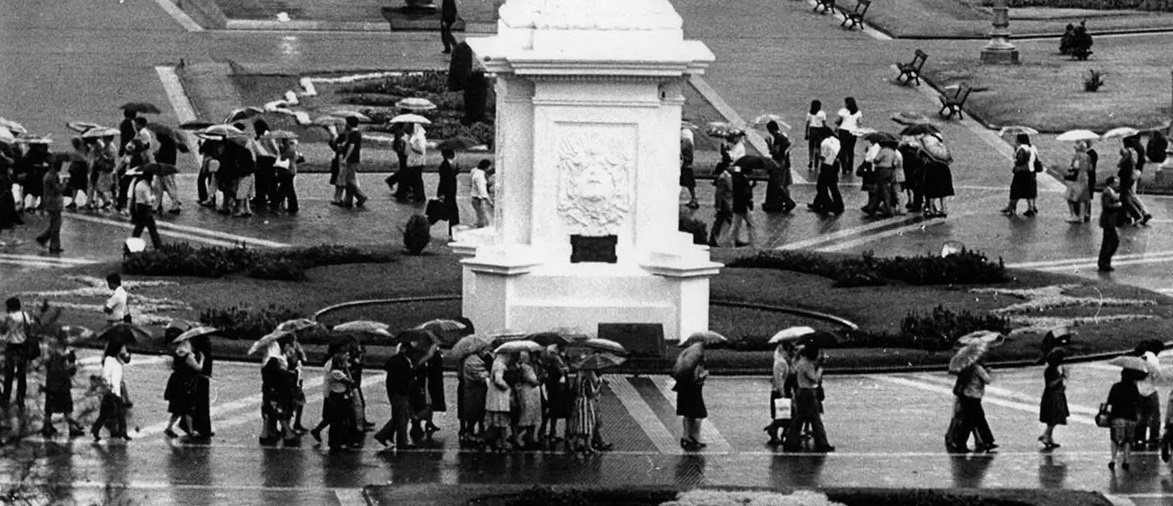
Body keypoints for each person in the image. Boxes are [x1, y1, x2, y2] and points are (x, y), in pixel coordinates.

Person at [783, 344, 834, 452]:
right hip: (808, 392)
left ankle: (791, 442)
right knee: (815, 419)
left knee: (799, 418)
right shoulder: (806, 364)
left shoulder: (804, 362)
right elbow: (814, 378)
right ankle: (822, 443)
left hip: (802, 392)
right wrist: (820, 367)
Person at [41, 329, 84, 438]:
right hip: (64, 382)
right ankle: (72, 427)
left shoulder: (49, 351)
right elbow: (72, 369)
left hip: (51, 381)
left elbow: (46, 363)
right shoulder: (69, 352)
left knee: (49, 406)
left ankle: (46, 426)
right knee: (67, 406)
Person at [374, 342, 416, 449]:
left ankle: (384, 434)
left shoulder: (396, 360)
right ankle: (401, 441)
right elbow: (405, 377)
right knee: (402, 416)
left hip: (395, 391)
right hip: (399, 391)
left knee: (399, 415)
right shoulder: (402, 362)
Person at [91, 339, 131, 442]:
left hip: (116, 390)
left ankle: (124, 433)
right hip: (110, 391)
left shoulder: (117, 359)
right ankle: (95, 429)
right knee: (105, 414)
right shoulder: (109, 360)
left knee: (120, 413)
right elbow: (106, 376)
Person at [955, 357, 997, 453]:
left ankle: (988, 440)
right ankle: (961, 444)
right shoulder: (978, 368)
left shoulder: (967, 367)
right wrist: (987, 372)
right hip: (974, 397)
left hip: (967, 396)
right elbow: (987, 380)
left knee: (979, 419)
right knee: (970, 421)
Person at [1, 297, 34, 411]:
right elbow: (29, 328)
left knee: (9, 374)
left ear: (10, 307)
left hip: (12, 347)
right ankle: (20, 400)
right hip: (23, 347)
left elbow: (5, 330)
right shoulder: (25, 315)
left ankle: (6, 398)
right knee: (22, 375)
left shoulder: (9, 317)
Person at [163, 339, 202, 438]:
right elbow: (198, 368)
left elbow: (172, 366)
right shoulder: (188, 357)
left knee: (177, 409)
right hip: (185, 384)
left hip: (175, 383)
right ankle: (190, 431)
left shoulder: (177, 355)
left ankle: (169, 428)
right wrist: (202, 359)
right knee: (188, 408)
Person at [1106, 368, 1143, 471]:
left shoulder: (1116, 387)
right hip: (1130, 417)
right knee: (1128, 440)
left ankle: (1113, 459)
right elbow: (1139, 403)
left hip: (1116, 416)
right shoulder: (1134, 388)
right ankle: (1126, 460)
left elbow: (1109, 401)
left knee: (1114, 439)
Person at [674, 343, 709, 451]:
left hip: (683, 390)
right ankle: (696, 437)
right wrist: (705, 374)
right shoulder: (697, 363)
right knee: (699, 414)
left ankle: (685, 436)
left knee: (687, 414)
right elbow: (696, 378)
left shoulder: (684, 363)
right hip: (694, 391)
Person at [764, 341, 796, 445]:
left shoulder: (783, 361)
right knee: (782, 414)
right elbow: (779, 379)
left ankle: (776, 431)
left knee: (783, 414)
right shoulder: (780, 363)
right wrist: (783, 393)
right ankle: (774, 431)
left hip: (781, 390)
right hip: (779, 391)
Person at [334, 117, 369, 208]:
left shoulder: (354, 134)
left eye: (346, 123)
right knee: (349, 179)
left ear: (349, 124)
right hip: (353, 159)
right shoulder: (353, 133)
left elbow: (351, 147)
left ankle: (361, 196)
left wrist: (345, 158)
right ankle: (348, 200)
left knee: (349, 181)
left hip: (351, 159)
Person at [1002, 134, 1039, 217]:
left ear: (1019, 141)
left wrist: (1015, 152)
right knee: (1030, 191)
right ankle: (1031, 208)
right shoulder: (1033, 147)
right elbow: (1036, 159)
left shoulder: (1021, 149)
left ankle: (1011, 207)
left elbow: (1019, 160)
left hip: (1021, 173)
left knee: (1015, 191)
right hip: (1031, 172)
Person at [808, 128, 843, 214]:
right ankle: (838, 205)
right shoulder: (836, 140)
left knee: (821, 186)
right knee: (832, 186)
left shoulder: (824, 143)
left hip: (827, 165)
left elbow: (823, 158)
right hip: (835, 164)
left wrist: (818, 154)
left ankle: (828, 205)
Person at [1038, 348, 1068, 449]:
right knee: (1054, 417)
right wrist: (1061, 378)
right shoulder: (1051, 371)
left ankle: (1049, 438)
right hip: (1053, 397)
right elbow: (1051, 384)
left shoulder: (1052, 370)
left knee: (1052, 418)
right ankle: (1046, 435)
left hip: (1054, 395)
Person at [483, 352, 513, 452]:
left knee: (496, 423)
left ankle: (495, 442)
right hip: (499, 398)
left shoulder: (496, 364)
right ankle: (502, 443)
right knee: (501, 423)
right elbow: (498, 380)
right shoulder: (500, 365)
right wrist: (508, 387)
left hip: (494, 398)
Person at [1135, 342, 1163, 450]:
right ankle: (1153, 438)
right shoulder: (1153, 359)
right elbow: (1156, 375)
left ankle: (1138, 437)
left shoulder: (1138, 358)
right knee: (1154, 416)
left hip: (1139, 389)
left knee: (1140, 415)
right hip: (1150, 390)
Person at [459, 348, 490, 447]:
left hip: (472, 389)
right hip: (475, 390)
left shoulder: (469, 359)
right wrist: (489, 372)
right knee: (474, 411)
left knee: (474, 411)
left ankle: (471, 432)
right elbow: (481, 375)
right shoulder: (473, 360)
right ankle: (470, 433)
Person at [763, 121, 794, 213]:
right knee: (786, 183)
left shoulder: (778, 138)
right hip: (786, 162)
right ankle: (787, 201)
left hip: (780, 163)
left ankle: (788, 202)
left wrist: (769, 144)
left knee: (779, 184)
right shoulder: (783, 135)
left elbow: (775, 153)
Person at [568, 369, 603, 454]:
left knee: (581, 425)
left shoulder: (579, 380)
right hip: (586, 403)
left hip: (579, 402)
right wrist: (599, 386)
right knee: (587, 424)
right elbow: (592, 393)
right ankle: (576, 442)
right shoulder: (586, 381)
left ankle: (587, 445)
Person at [1119, 137, 1151, 226]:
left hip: (1133, 172)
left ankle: (1143, 212)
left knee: (1131, 195)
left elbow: (1130, 161)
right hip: (1137, 171)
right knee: (1130, 195)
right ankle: (1131, 214)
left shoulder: (1133, 149)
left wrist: (1125, 154)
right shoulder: (1139, 146)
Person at [34, 158, 64, 254]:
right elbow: (57, 190)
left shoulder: (50, 175)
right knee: (56, 224)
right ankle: (53, 245)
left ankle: (44, 239)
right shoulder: (51, 177)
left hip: (51, 202)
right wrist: (64, 183)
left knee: (55, 223)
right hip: (54, 202)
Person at [543, 345, 571, 446]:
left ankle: (553, 432)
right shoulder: (555, 359)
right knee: (555, 410)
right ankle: (554, 432)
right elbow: (562, 371)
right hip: (556, 388)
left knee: (558, 411)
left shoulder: (561, 358)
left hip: (559, 387)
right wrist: (565, 368)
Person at [514, 350, 542, 448]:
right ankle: (516, 436)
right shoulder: (524, 368)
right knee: (527, 415)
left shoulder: (531, 366)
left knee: (533, 416)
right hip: (528, 393)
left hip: (533, 394)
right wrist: (540, 379)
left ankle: (530, 437)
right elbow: (533, 381)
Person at [129, 168, 163, 249]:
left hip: (139, 207)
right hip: (145, 209)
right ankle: (158, 246)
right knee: (152, 229)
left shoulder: (139, 184)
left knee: (138, 228)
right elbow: (148, 199)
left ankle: (131, 245)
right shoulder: (145, 186)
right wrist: (154, 197)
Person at [432, 149, 460, 238]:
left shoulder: (447, 165)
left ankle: (453, 232)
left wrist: (455, 170)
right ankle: (454, 232)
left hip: (449, 193)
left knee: (449, 213)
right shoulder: (445, 166)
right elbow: (446, 181)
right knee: (451, 213)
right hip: (448, 193)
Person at [251, 120, 278, 212]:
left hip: (265, 159)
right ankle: (267, 199)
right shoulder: (265, 135)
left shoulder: (265, 136)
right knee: (266, 180)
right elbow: (275, 149)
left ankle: (262, 199)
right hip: (267, 159)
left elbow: (274, 148)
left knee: (263, 180)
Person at [152, 133, 182, 215]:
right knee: (158, 187)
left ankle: (175, 205)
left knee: (168, 188)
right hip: (164, 168)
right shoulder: (169, 144)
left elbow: (161, 157)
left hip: (165, 169)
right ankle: (156, 206)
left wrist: (156, 155)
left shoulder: (166, 146)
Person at [729, 164, 757, 248]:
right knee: (736, 225)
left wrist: (750, 186)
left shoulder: (739, 177)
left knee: (739, 225)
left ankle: (735, 241)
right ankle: (733, 242)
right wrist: (750, 187)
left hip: (741, 205)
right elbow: (744, 192)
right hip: (741, 206)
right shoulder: (741, 179)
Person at [1098, 176, 1123, 272]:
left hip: (1110, 221)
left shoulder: (1111, 192)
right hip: (1108, 221)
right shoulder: (1107, 193)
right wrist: (1118, 205)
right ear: (1111, 183)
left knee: (1107, 243)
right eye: (1116, 182)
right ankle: (1104, 262)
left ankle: (1104, 262)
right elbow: (1107, 206)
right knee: (1113, 242)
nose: (1117, 184)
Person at [1064, 141, 1092, 223]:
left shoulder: (1077, 155)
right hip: (1085, 177)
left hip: (1077, 178)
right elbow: (1090, 168)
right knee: (1082, 199)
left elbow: (1076, 166)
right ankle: (1082, 216)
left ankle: (1073, 215)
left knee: (1069, 197)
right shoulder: (1088, 156)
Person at [707, 162, 734, 247]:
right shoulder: (724, 178)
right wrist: (718, 205)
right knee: (731, 221)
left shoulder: (728, 176)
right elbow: (719, 193)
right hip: (724, 203)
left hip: (725, 203)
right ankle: (735, 239)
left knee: (719, 222)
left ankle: (713, 239)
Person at [836, 97, 862, 176]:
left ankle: (844, 167)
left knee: (843, 149)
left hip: (843, 131)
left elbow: (837, 120)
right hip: (853, 132)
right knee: (851, 150)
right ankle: (850, 167)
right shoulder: (858, 112)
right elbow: (860, 122)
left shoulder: (843, 111)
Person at [274, 136, 299, 215]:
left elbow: (283, 158)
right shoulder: (293, 148)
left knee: (286, 189)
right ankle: (292, 207)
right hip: (291, 170)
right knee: (288, 189)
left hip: (288, 170)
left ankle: (278, 204)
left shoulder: (290, 149)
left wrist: (281, 150)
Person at [65, 137, 89, 210]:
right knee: (83, 187)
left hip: (76, 173)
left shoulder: (76, 153)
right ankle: (90, 200)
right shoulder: (83, 150)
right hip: (82, 172)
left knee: (75, 187)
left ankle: (74, 202)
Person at [470, 159, 493, 228]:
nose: (490, 168)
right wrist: (490, 202)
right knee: (483, 220)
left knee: (480, 218)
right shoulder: (480, 176)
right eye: (489, 167)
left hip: (475, 199)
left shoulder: (475, 171)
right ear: (486, 167)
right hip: (477, 200)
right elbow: (483, 191)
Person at [804, 100, 827, 171]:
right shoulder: (822, 113)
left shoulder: (809, 113)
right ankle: (817, 162)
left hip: (812, 130)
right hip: (819, 130)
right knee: (818, 147)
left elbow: (807, 124)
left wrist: (806, 133)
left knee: (811, 147)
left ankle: (811, 160)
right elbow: (824, 123)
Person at [680, 128, 699, 209]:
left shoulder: (686, 143)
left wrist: (682, 157)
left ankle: (694, 199)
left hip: (686, 167)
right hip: (687, 166)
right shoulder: (688, 142)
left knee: (689, 184)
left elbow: (686, 156)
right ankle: (694, 199)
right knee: (689, 185)